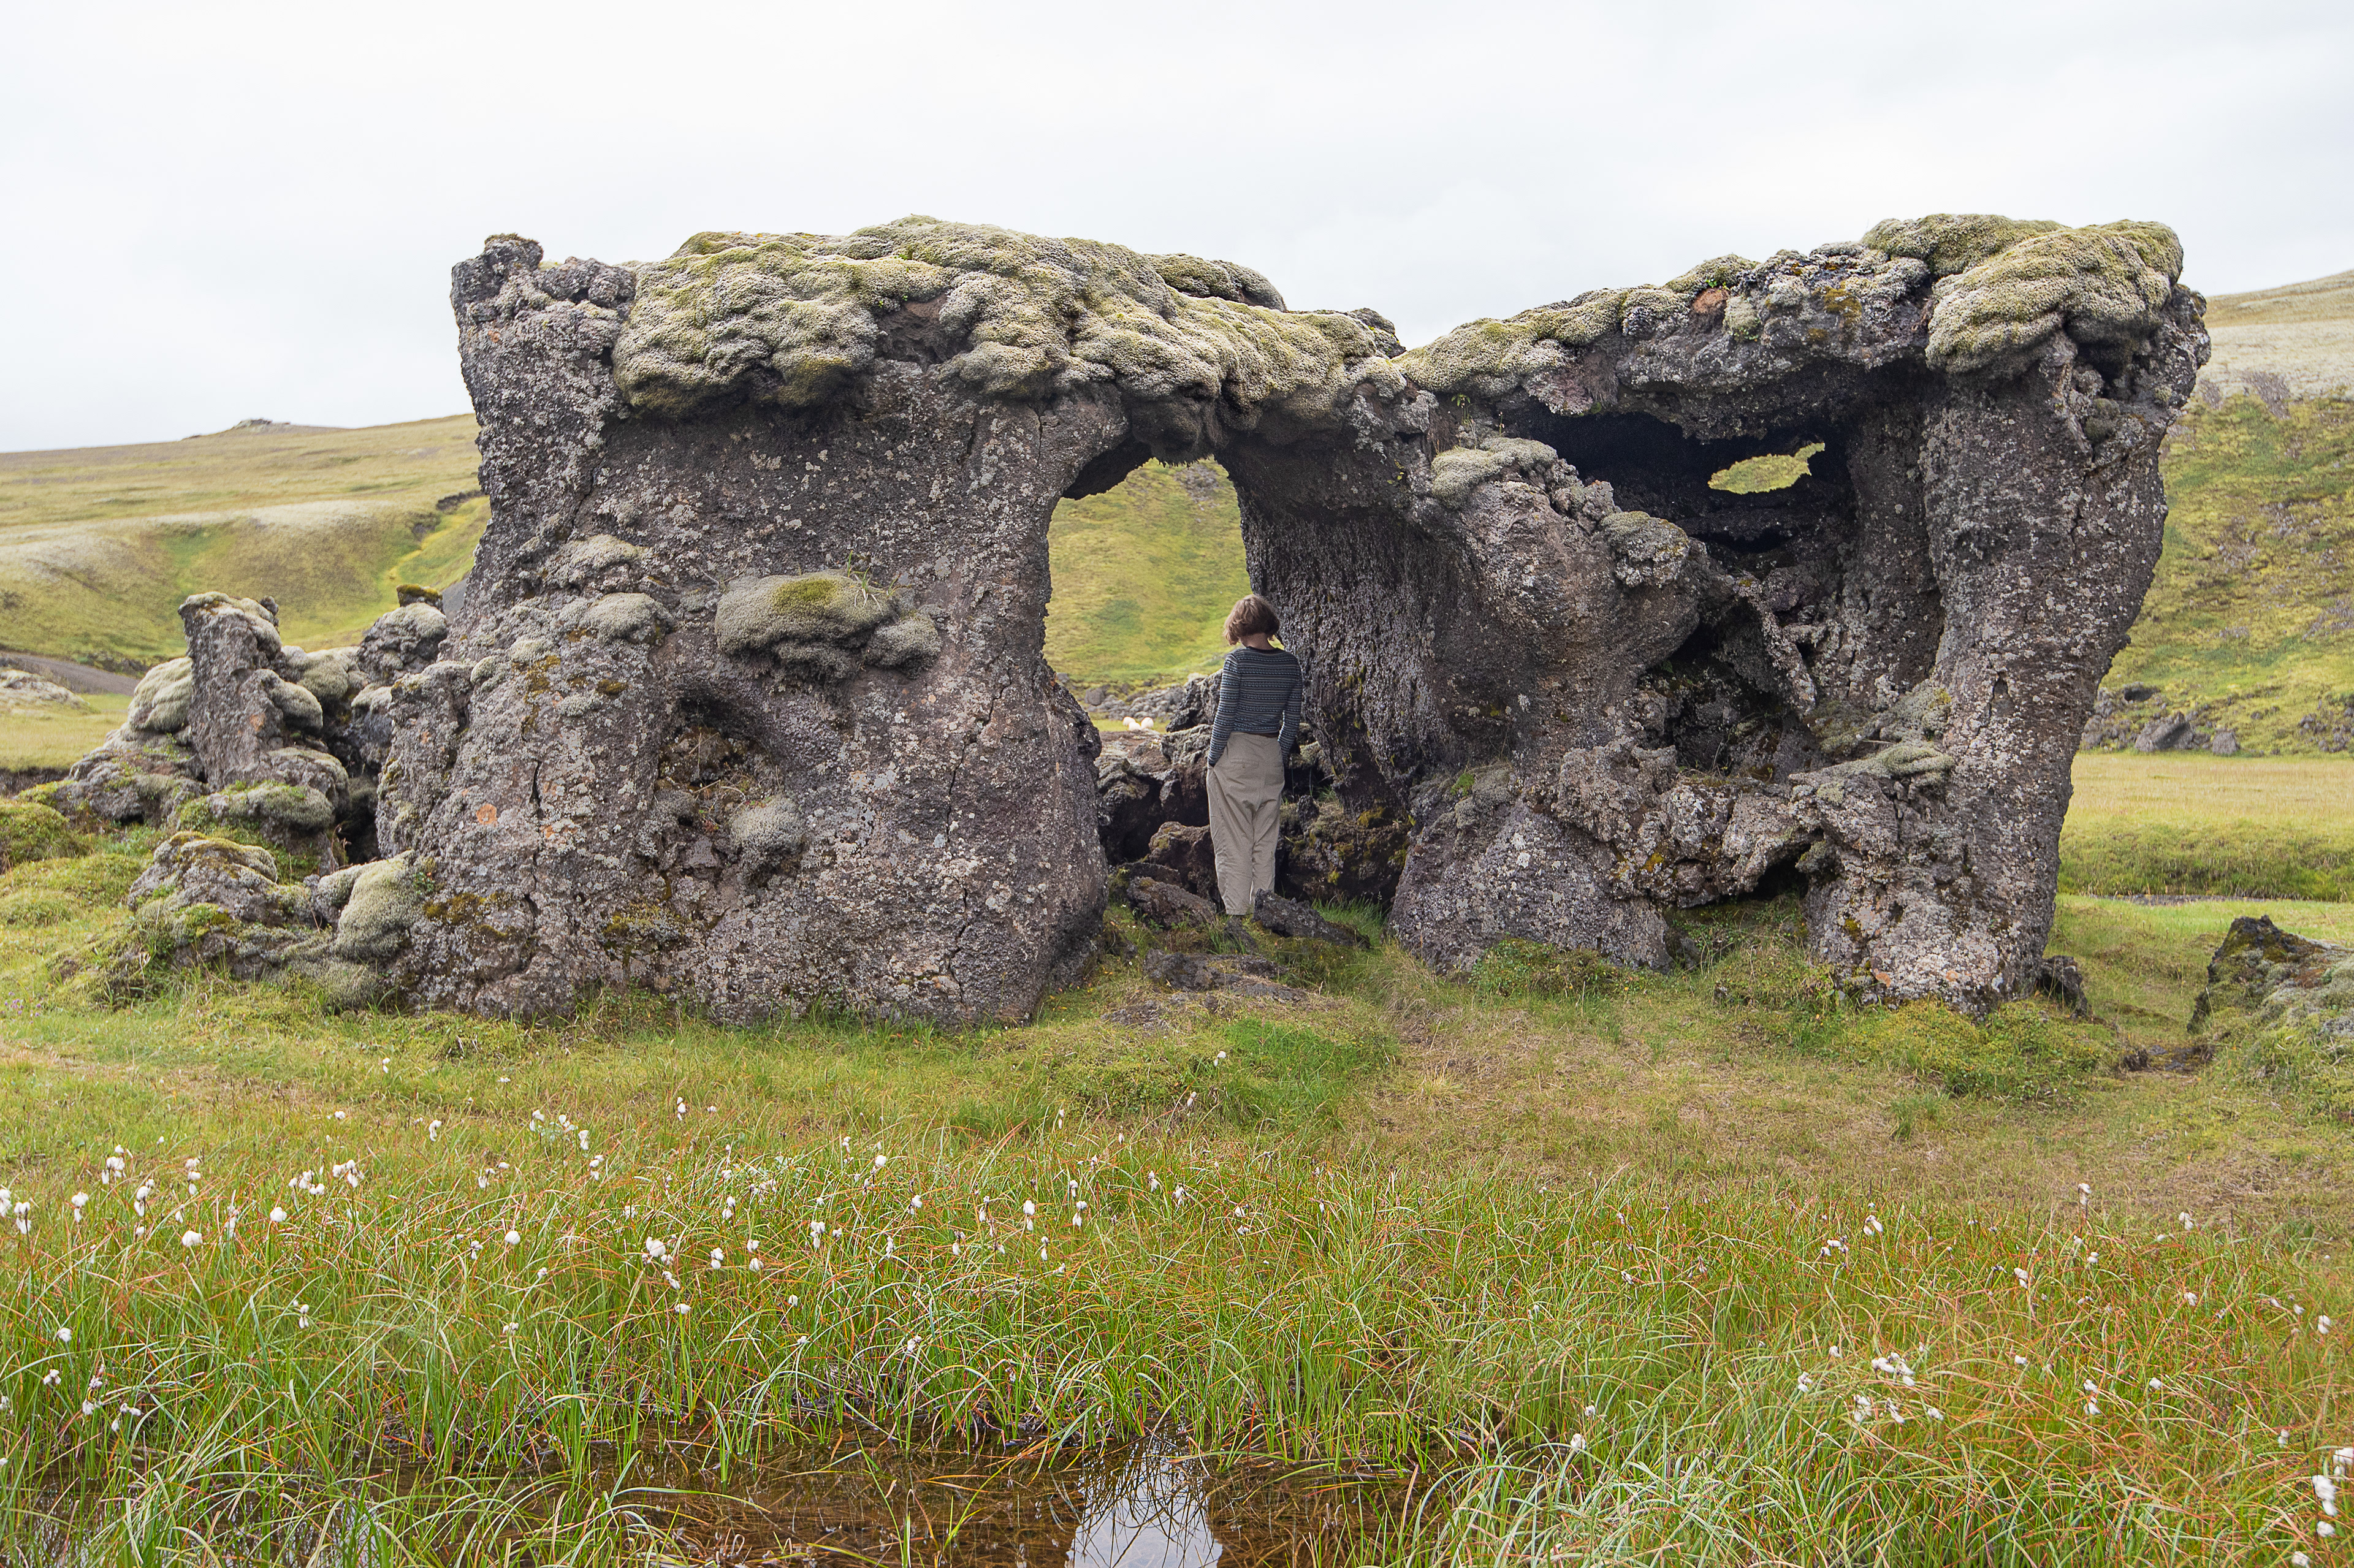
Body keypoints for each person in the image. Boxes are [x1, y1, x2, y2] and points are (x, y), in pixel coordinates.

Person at [1203, 593, 1303, 919]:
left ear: (1239, 627)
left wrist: (1213, 758)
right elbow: (1293, 720)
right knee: (1264, 843)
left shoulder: (1237, 663)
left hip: (1236, 756)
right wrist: (1279, 752)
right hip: (1271, 756)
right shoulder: (1291, 664)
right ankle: (1265, 914)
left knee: (1234, 842)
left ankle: (1238, 919)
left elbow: (1225, 714)